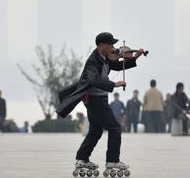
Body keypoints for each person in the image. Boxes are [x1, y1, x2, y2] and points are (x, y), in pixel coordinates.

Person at [56, 32, 145, 172]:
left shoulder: (105, 58)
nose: (113, 48)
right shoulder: (93, 61)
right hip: (94, 99)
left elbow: (118, 66)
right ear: (101, 45)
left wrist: (135, 57)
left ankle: (82, 158)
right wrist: (113, 84)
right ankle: (112, 161)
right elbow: (93, 80)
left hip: (99, 98)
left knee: (96, 130)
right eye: (111, 44)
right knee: (115, 127)